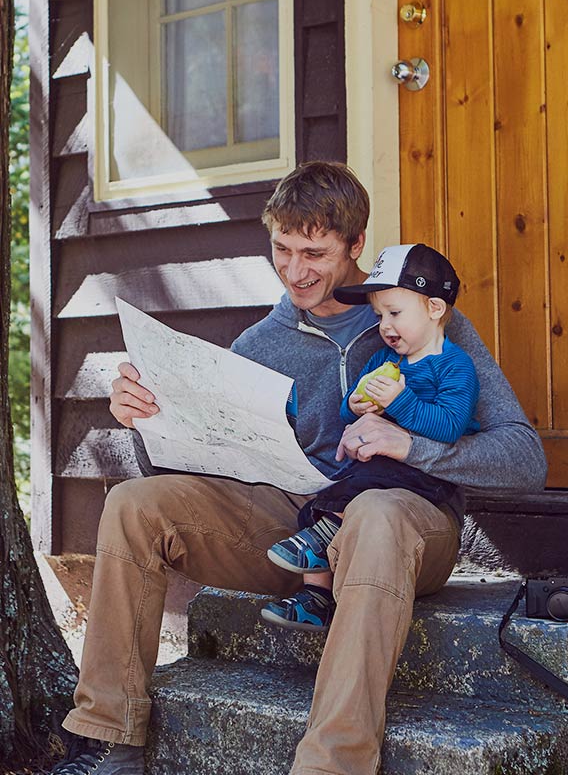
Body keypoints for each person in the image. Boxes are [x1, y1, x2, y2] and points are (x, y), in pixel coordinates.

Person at [50, 161, 547, 775]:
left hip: (407, 523)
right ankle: (111, 738)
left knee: (374, 511)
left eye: (314, 252)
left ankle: (331, 765)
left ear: (356, 245)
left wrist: (412, 447)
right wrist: (144, 422)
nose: (294, 270)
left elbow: (525, 458)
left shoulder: (419, 318)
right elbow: (208, 462)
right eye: (281, 249)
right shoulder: (258, 344)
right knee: (134, 505)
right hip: (294, 528)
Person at [261, 243, 481, 632]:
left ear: (434, 309)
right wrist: (358, 404)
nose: (385, 326)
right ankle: (316, 597)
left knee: (349, 500)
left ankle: (325, 538)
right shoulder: (385, 360)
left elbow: (449, 426)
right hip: (376, 469)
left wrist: (400, 403)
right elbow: (347, 409)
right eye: (380, 315)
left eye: (395, 313)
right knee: (320, 504)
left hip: (423, 481)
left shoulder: (454, 365)